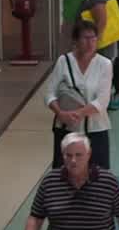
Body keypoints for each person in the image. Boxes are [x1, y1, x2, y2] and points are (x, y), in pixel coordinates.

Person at [45, 20, 114, 169]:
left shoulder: (105, 64)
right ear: (75, 41)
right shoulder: (64, 61)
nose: (90, 42)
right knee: (64, 174)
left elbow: (102, 101)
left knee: (98, 176)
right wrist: (61, 113)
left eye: (93, 38)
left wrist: (78, 113)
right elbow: (50, 94)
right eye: (85, 38)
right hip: (66, 128)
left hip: (95, 129)